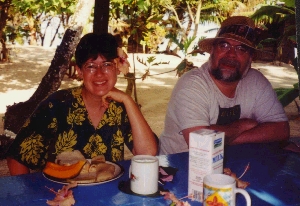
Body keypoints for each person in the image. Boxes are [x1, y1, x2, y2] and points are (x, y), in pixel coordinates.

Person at [6, 33, 158, 175]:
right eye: (91, 66)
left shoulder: (120, 107)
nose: (99, 73)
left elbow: (148, 153)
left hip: (106, 193)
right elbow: (17, 158)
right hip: (61, 194)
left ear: (117, 67)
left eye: (107, 64)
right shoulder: (57, 105)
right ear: (79, 71)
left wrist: (127, 100)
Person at [159, 16, 290, 155]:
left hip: (232, 162)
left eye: (241, 49)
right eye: (224, 45)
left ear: (250, 58)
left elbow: (282, 130)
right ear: (212, 51)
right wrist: (242, 125)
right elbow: (200, 144)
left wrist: (223, 136)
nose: (231, 54)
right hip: (180, 165)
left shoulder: (256, 81)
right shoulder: (192, 84)